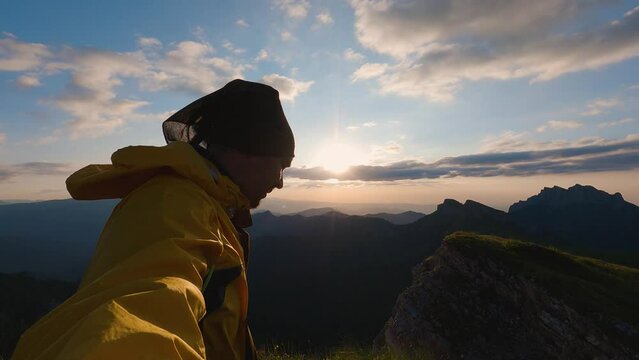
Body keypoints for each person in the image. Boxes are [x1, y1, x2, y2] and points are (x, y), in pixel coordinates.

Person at [12, 79, 295, 360]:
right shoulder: (177, 203)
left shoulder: (207, 203)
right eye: (281, 166)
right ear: (251, 150)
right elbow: (147, 307)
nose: (280, 182)